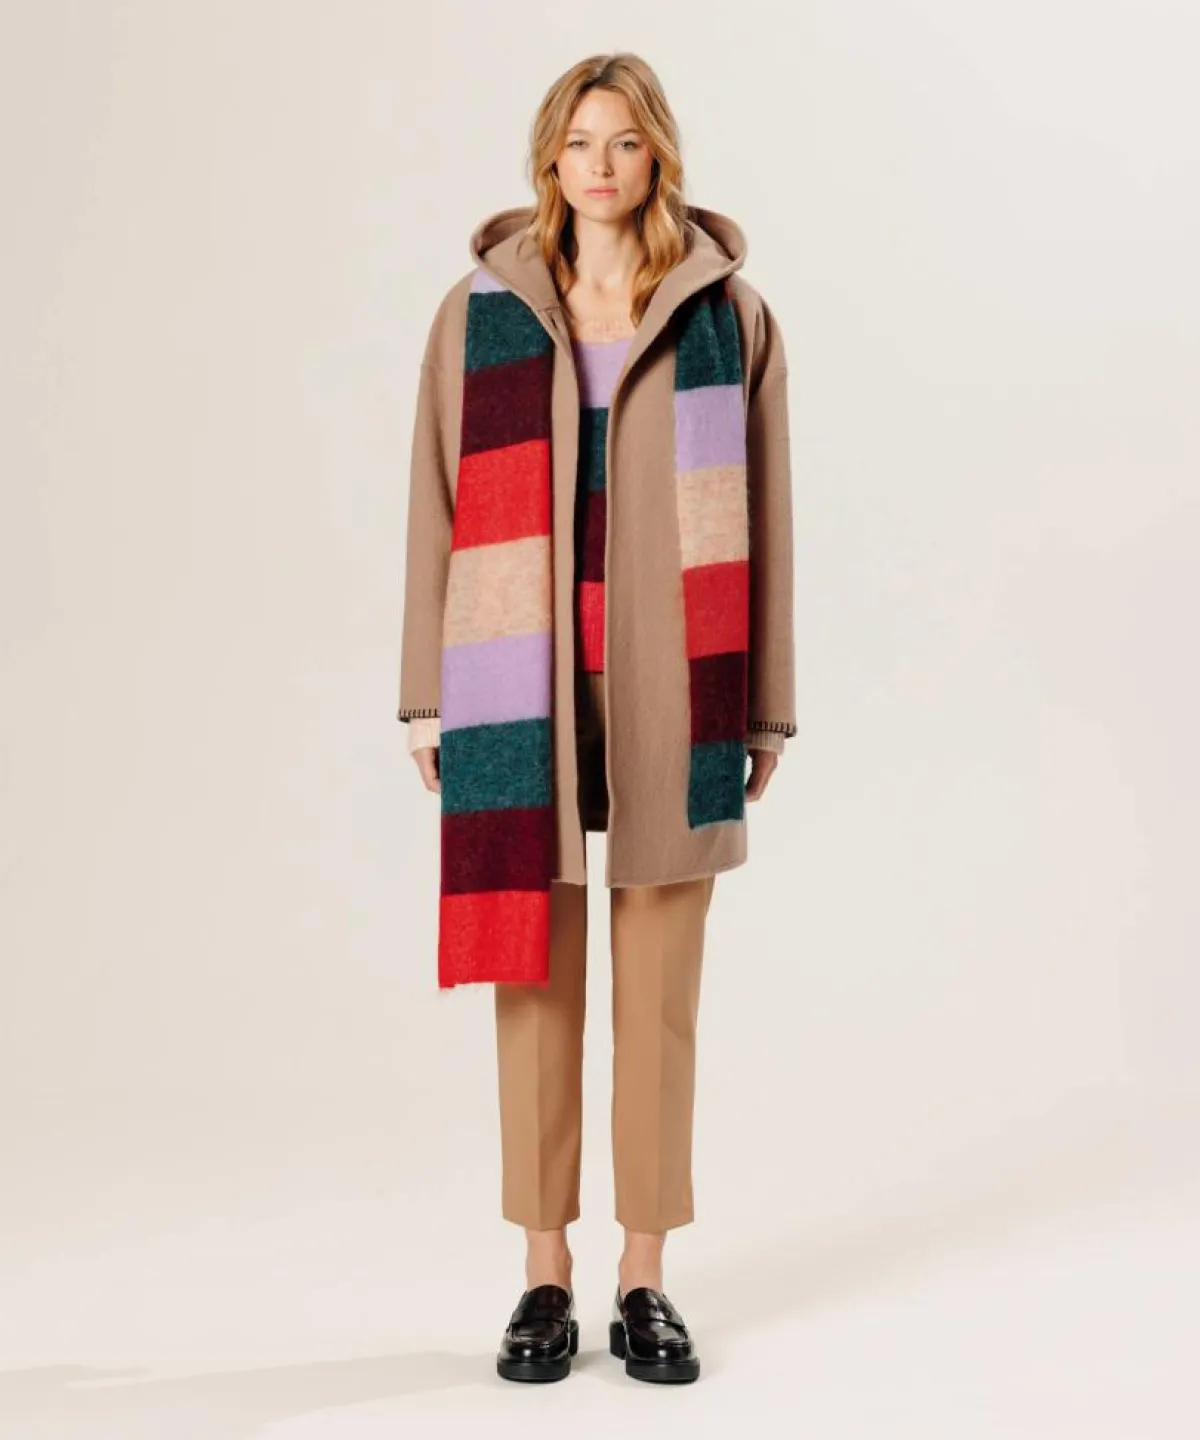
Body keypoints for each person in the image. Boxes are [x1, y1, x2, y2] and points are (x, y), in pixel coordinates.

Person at [396, 52, 795, 1385]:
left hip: (682, 681)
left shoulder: (730, 317)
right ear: (549, 161)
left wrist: (767, 709)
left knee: (661, 995)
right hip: (517, 679)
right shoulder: (480, 314)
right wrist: (429, 695)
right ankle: (544, 1274)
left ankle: (645, 1275)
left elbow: (773, 517)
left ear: (657, 155)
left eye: (625, 142)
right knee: (534, 984)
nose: (602, 166)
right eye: (580, 143)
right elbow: (436, 503)